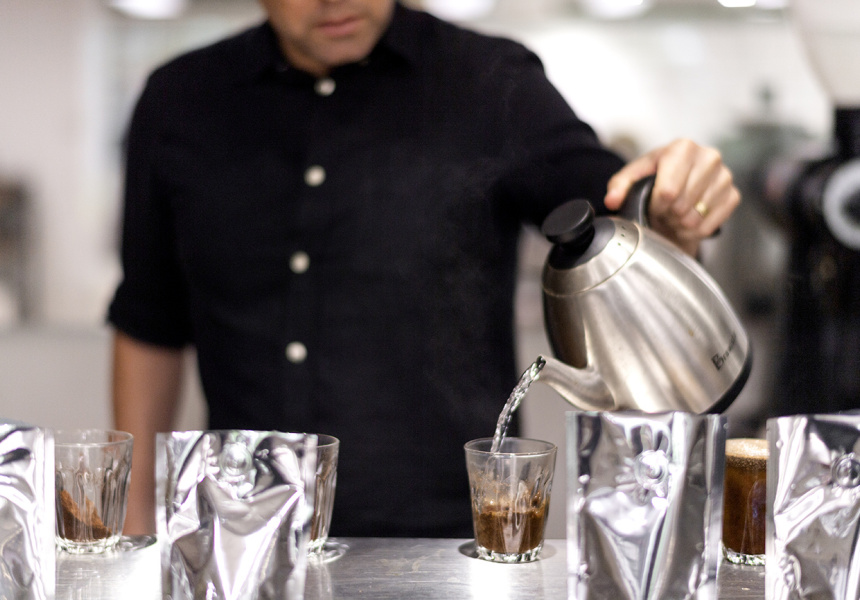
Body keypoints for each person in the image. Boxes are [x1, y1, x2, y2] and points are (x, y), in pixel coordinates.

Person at [109, 0, 740, 537]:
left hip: (450, 541)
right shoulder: (180, 101)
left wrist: (678, 207)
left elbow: (626, 227)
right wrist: (135, 530)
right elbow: (149, 323)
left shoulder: (490, 83)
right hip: (240, 537)